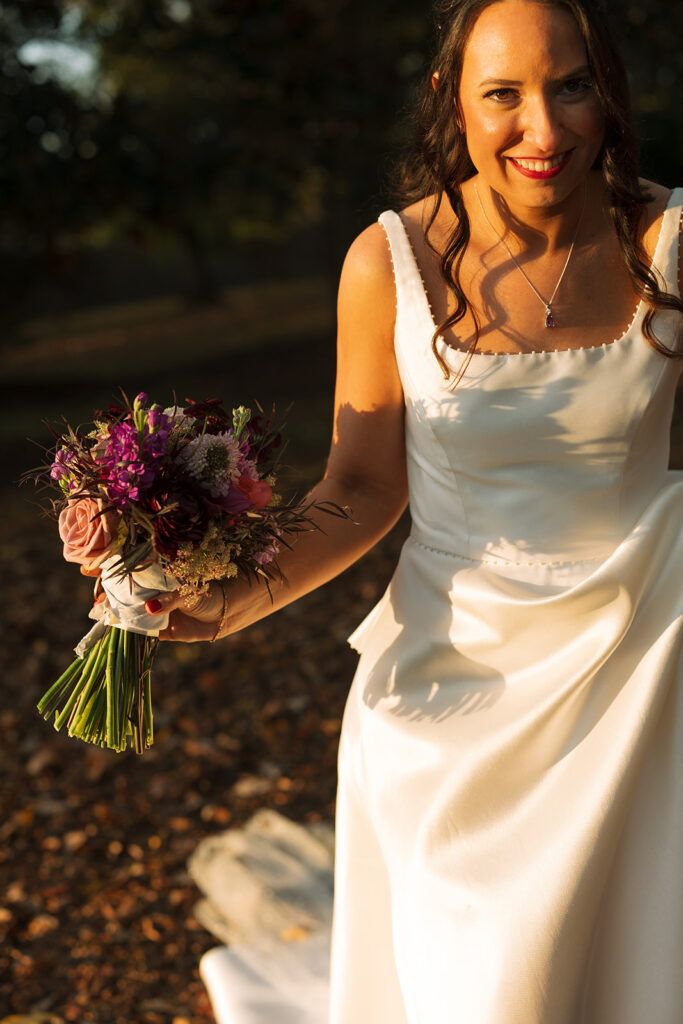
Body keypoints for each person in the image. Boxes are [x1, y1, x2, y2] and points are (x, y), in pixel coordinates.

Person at [148, 0, 683, 1020]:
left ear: (606, 89)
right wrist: (234, 597)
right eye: (503, 94)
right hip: (452, 686)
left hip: (646, 663)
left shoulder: (670, 242)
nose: (543, 128)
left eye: (569, 85)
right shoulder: (385, 263)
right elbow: (359, 487)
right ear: (450, 98)